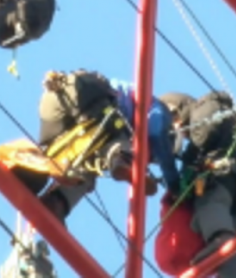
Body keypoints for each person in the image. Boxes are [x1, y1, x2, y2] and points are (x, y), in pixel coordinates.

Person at [159, 91, 236, 278]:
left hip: (225, 172)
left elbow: (204, 135)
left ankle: (220, 238)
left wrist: (188, 156)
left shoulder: (203, 107)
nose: (178, 129)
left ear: (178, 109)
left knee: (210, 202)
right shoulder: (231, 117)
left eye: (174, 120)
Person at [36, 69, 181, 225]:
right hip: (85, 97)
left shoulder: (122, 90)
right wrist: (174, 184)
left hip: (55, 103)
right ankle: (122, 159)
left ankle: (54, 200)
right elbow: (157, 134)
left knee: (84, 165)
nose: (152, 159)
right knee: (117, 139)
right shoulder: (157, 108)